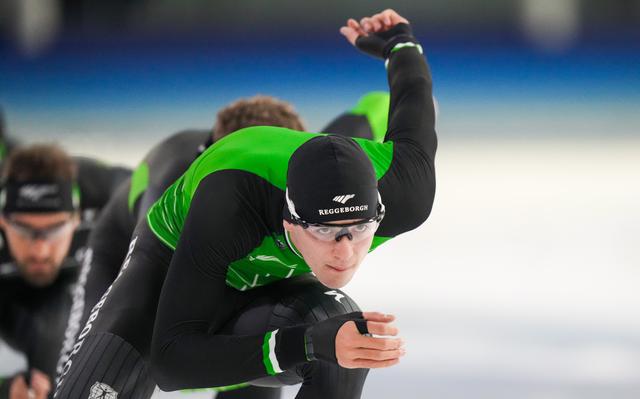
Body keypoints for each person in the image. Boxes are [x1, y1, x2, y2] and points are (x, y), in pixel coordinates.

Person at [54, 9, 436, 399]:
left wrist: (398, 42)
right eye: (324, 230)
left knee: (339, 334)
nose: (345, 251)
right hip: (177, 261)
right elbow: (170, 365)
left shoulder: (407, 194)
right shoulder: (228, 204)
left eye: (359, 230)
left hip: (266, 274)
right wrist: (303, 343)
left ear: (379, 212)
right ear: (289, 222)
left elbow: (413, 100)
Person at [56, 92, 388, 399]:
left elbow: (377, 106)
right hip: (134, 261)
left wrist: (407, 66)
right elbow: (173, 351)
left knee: (303, 333)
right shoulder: (181, 180)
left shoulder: (316, 172)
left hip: (238, 275)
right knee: (89, 367)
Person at [0, 144, 130, 399]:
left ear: (77, 218)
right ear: (2, 220)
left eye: (55, 229)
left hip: (70, 286)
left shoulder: (107, 190)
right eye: (24, 230)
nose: (41, 251)